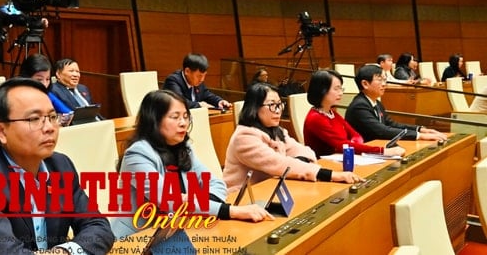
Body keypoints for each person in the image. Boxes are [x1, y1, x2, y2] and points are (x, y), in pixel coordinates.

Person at [0, 78, 114, 254]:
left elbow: (99, 227)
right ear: (1, 131)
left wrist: (64, 252)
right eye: (34, 119)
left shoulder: (60, 166)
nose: (50, 127)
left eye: (52, 116)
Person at [110, 90, 273, 238]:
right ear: (154, 119)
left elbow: (217, 184)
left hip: (178, 231)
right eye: (175, 117)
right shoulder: (137, 154)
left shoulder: (183, 147)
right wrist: (230, 211)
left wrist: (191, 201)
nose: (183, 123)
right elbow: (170, 200)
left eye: (186, 116)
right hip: (137, 238)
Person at [223, 83, 362, 192]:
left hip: (272, 191)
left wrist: (295, 163)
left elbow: (306, 152)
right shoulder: (244, 137)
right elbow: (279, 164)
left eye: (279, 105)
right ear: (254, 107)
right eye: (272, 105)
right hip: (244, 197)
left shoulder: (277, 131)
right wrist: (332, 175)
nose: (278, 110)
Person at [303, 70, 405, 158]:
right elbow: (341, 144)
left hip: (344, 158)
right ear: (322, 90)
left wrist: (354, 144)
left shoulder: (331, 113)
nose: (340, 93)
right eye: (336, 89)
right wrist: (383, 151)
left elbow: (355, 135)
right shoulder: (315, 118)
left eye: (341, 88)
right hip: (326, 165)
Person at [345, 64, 447, 142]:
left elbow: (391, 124)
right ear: (365, 84)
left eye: (384, 80)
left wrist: (420, 129)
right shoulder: (359, 106)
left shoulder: (375, 102)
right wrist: (419, 136)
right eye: (380, 80)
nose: (384, 84)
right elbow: (382, 131)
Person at [19, 54, 74, 125]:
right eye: (39, 79)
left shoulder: (47, 94)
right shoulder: (17, 97)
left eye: (47, 79)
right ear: (26, 77)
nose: (45, 84)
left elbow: (68, 113)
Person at [163, 53, 232, 109]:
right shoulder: (173, 81)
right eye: (199, 76)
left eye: (204, 75)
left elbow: (206, 94)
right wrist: (199, 105)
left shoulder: (198, 82)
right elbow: (179, 102)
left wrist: (219, 101)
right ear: (187, 71)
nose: (202, 79)